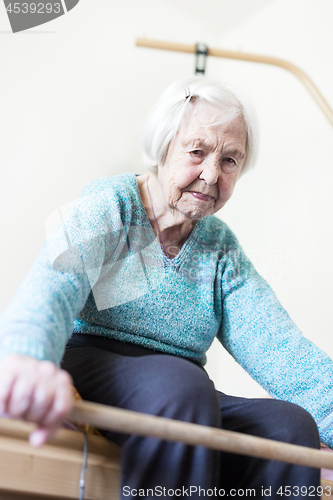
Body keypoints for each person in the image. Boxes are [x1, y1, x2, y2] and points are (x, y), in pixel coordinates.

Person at [0, 76, 332, 499]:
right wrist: (26, 357)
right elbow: (54, 282)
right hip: (97, 363)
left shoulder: (219, 247)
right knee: (182, 386)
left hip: (182, 391)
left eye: (230, 161)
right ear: (162, 148)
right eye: (197, 151)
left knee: (290, 429)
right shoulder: (111, 205)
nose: (211, 175)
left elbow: (281, 348)